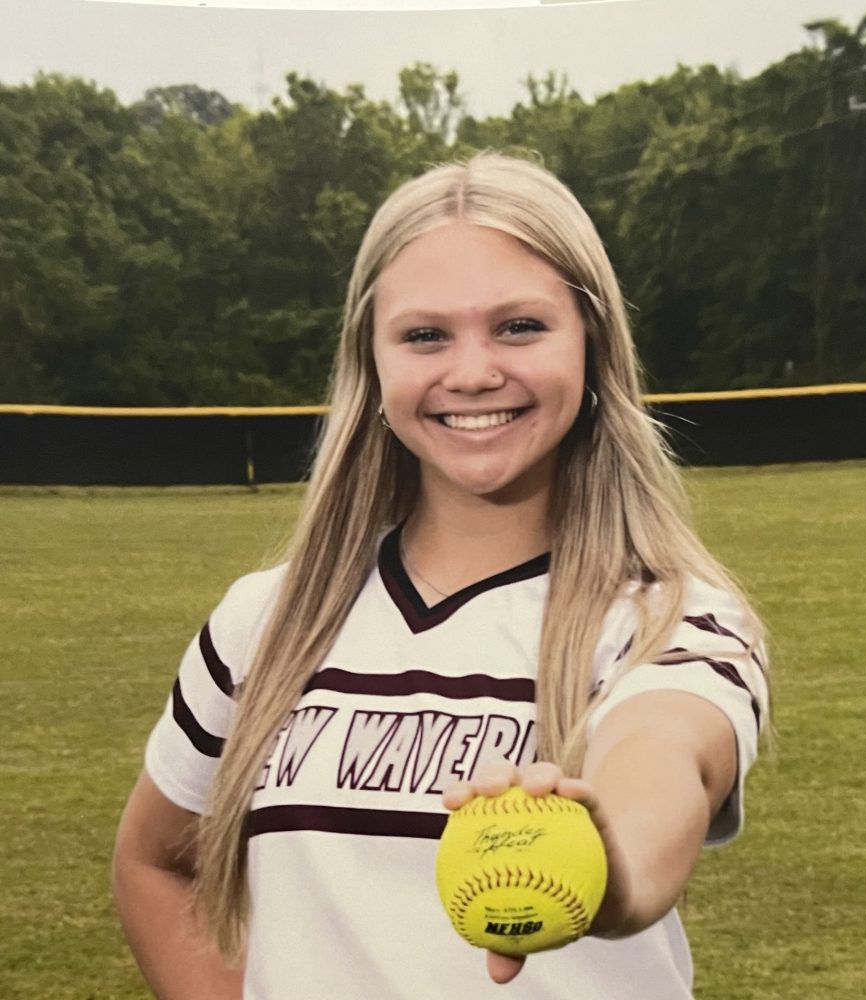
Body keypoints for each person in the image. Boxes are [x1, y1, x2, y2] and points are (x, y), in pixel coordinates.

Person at [112, 152, 769, 1000]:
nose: (472, 372)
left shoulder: (671, 620)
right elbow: (155, 862)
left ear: (592, 342)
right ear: (372, 360)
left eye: (519, 326)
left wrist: (611, 864)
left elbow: (664, 755)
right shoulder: (266, 623)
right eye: (425, 335)